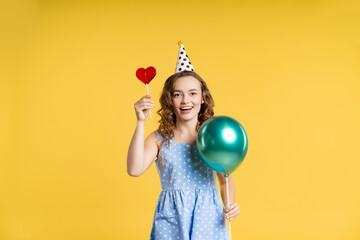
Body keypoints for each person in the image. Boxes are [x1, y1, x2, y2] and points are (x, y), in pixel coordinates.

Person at [127, 69, 240, 239]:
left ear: (203, 98)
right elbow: (134, 169)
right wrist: (140, 121)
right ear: (169, 100)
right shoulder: (160, 138)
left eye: (192, 93)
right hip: (171, 217)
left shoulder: (212, 137)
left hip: (208, 216)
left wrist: (229, 205)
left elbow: (225, 181)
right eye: (177, 94)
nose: (185, 100)